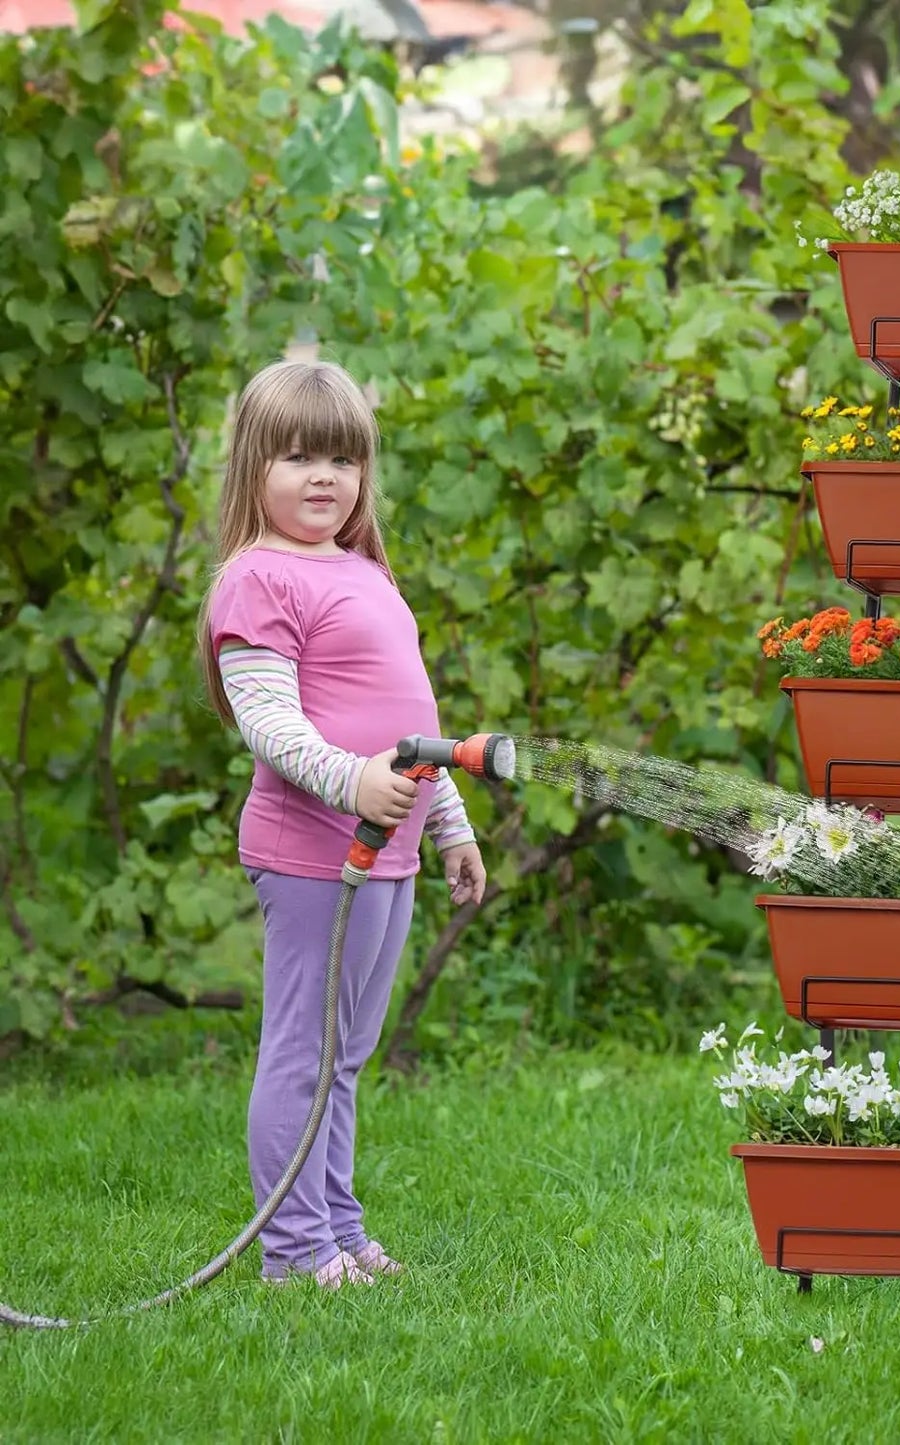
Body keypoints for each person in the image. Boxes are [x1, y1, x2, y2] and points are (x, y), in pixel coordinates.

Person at [195, 359, 488, 1288]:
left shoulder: (363, 569)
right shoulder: (258, 579)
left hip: (386, 854)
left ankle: (337, 1225)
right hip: (311, 853)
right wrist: (353, 782)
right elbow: (269, 722)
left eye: (341, 458)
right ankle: (291, 1251)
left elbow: (409, 718)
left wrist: (449, 821)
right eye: (296, 456)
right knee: (303, 1053)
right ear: (253, 468)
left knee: (346, 1055)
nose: (322, 476)